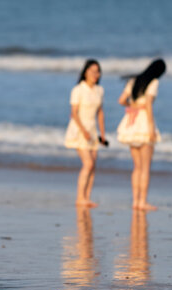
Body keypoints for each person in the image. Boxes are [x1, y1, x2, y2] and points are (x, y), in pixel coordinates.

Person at [117, 59, 166, 211]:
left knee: (136, 166)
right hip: (144, 122)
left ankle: (135, 201)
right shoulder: (154, 82)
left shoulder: (133, 80)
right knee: (145, 167)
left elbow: (121, 100)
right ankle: (142, 201)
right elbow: (149, 105)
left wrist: (133, 105)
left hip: (131, 122)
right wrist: (151, 128)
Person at [64, 59, 107, 208]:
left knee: (93, 165)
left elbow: (100, 113)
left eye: (98, 71)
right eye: (92, 71)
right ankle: (79, 197)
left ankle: (87, 197)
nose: (96, 74)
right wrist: (83, 131)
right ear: (85, 72)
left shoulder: (99, 90)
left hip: (93, 129)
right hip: (79, 128)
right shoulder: (78, 89)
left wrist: (103, 134)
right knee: (87, 164)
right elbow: (74, 113)